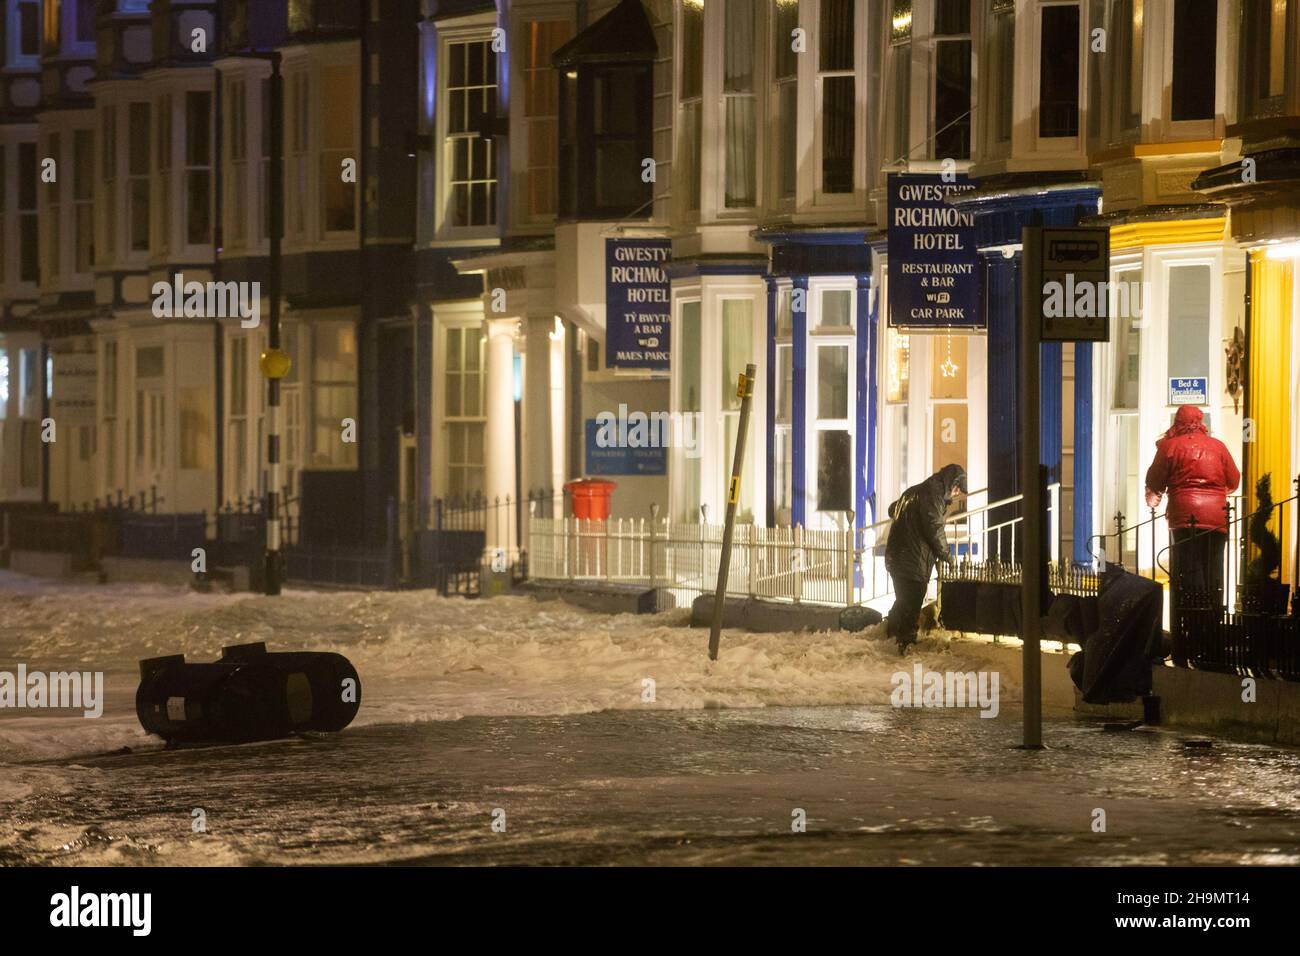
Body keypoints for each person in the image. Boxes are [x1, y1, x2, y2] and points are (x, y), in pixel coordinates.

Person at [1144, 406, 1240, 618]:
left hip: (1184, 516)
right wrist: (1215, 493)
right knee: (1214, 568)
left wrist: (1153, 502)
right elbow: (1233, 480)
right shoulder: (1218, 447)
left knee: (1189, 567)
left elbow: (1154, 482)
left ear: (1178, 421)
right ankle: (1214, 621)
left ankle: (1194, 622)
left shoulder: (1169, 447)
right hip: (1216, 517)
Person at [884, 464, 967, 653]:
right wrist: (947, 555)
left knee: (903, 600)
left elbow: (892, 509)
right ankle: (906, 644)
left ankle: (887, 634)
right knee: (912, 603)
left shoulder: (915, 491)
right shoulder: (933, 495)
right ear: (951, 483)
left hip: (896, 557)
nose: (956, 494)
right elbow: (934, 528)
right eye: (957, 489)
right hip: (912, 560)